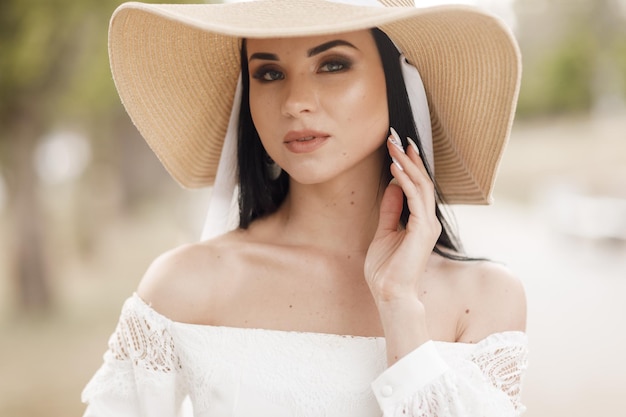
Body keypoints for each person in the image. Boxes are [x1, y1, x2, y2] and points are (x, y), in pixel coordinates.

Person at [82, 0, 528, 416]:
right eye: (269, 73)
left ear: (399, 81)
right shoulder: (184, 286)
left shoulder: (484, 301)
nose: (295, 102)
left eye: (332, 64)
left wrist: (399, 306)